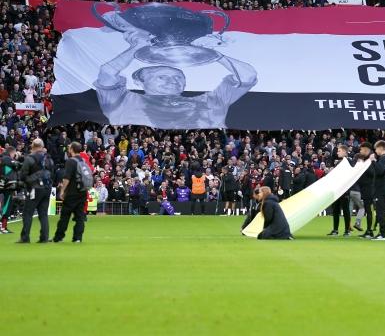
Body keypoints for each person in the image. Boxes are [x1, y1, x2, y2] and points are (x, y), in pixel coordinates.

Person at [94, 30, 257, 129]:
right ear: (139, 82)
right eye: (162, 76)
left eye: (179, 77)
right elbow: (107, 73)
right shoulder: (124, 102)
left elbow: (247, 76)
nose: (172, 80)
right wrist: (136, 47)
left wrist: (215, 54)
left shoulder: (210, 101)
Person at [17, 139, 54, 244]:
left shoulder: (29, 159)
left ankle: (25, 237)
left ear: (32, 147)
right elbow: (52, 173)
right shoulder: (48, 159)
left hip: (34, 188)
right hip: (47, 188)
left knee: (28, 213)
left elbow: (23, 175)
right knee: (43, 214)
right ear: (42, 146)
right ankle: (44, 237)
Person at [53, 142, 88, 244]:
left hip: (72, 192)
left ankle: (59, 237)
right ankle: (77, 238)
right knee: (80, 216)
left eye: (69, 148)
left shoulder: (70, 161)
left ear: (72, 149)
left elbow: (67, 178)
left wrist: (62, 190)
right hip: (82, 191)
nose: (68, 150)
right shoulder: (83, 160)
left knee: (65, 215)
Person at [327, 145, 352, 236]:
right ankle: (335, 230)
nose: (337, 152)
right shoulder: (338, 163)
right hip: (337, 189)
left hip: (345, 190)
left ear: (345, 152)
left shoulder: (349, 162)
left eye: (339, 151)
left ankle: (347, 230)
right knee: (335, 210)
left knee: (346, 211)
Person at [371, 140, 385, 241]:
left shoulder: (383, 159)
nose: (375, 151)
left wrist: (373, 161)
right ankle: (381, 233)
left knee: (380, 211)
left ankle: (382, 234)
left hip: (381, 189)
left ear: (380, 148)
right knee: (380, 211)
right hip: (382, 189)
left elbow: (380, 171)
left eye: (376, 149)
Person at [356, 142, 376, 238]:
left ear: (366, 150)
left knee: (369, 211)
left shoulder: (371, 160)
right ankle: (368, 231)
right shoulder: (366, 160)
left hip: (370, 190)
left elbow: (373, 173)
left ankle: (370, 231)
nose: (360, 151)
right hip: (365, 189)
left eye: (361, 149)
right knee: (367, 211)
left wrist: (364, 164)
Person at [0, 145, 21, 234]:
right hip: (6, 186)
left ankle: (3, 227)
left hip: (5, 185)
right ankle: (2, 227)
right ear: (12, 152)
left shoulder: (4, 159)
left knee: (5, 206)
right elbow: (18, 166)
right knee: (6, 207)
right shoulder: (7, 159)